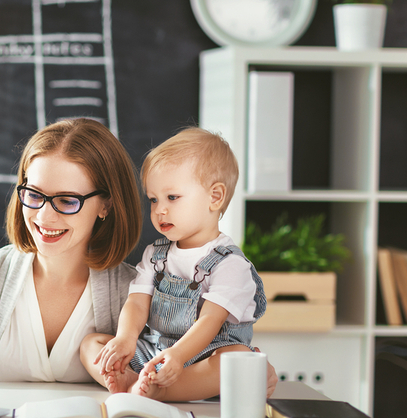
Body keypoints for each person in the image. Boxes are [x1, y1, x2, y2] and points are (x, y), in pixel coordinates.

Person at [0, 118, 142, 396]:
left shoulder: (136, 294)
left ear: (106, 205)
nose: (43, 216)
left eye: (66, 201)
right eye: (33, 194)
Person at [79, 126, 270, 402]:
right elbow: (136, 302)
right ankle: (135, 380)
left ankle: (160, 390)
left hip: (203, 357)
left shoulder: (231, 265)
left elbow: (210, 321)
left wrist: (178, 357)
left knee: (238, 358)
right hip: (157, 352)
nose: (159, 210)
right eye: (153, 199)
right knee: (91, 344)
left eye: (172, 197)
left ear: (214, 197)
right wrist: (125, 339)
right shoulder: (156, 255)